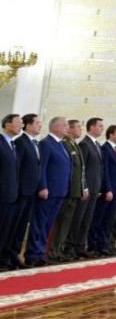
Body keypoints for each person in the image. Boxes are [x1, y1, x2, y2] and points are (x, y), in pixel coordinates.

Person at [26, 116, 71, 267]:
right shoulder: (46, 143)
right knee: (39, 223)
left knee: (48, 224)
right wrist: (43, 186)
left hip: (60, 191)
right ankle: (33, 254)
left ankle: (41, 252)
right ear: (55, 127)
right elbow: (42, 167)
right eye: (64, 125)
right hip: (48, 191)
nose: (67, 128)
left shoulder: (62, 145)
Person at [49, 119, 87, 262]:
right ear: (70, 129)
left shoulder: (74, 145)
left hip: (75, 191)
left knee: (67, 223)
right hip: (67, 190)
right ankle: (53, 251)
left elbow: (80, 169)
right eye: (77, 127)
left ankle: (59, 250)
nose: (80, 130)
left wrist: (83, 187)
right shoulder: (64, 144)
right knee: (60, 223)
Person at [69, 117, 104, 259]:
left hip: (95, 188)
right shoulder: (85, 144)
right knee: (79, 219)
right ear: (92, 127)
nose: (102, 128)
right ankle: (71, 247)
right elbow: (82, 169)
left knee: (87, 219)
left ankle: (80, 246)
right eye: (100, 126)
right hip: (86, 189)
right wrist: (84, 187)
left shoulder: (96, 144)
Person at [10, 114, 42, 268]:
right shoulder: (21, 142)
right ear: (28, 126)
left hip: (32, 192)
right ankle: (8, 256)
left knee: (22, 225)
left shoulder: (35, 143)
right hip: (22, 191)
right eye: (37, 123)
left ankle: (15, 254)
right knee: (14, 225)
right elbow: (17, 168)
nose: (40, 126)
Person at [91, 125, 116, 257]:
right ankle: (95, 245)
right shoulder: (105, 149)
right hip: (107, 191)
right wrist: (108, 189)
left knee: (109, 220)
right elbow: (105, 172)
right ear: (111, 135)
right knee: (99, 219)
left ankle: (104, 244)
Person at [0, 114, 23, 270]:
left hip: (11, 195)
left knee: (6, 230)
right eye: (18, 123)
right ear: (7, 124)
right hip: (2, 194)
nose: (20, 126)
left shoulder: (13, 144)